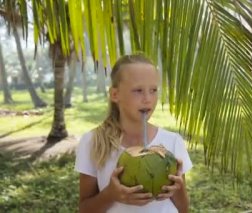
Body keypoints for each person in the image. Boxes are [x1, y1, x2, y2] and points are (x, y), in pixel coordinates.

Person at [75, 54, 193, 213]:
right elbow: (84, 209)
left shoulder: (172, 142)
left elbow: (183, 209)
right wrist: (111, 195)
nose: (148, 99)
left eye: (153, 90)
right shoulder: (93, 142)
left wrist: (177, 188)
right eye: (138, 90)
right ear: (115, 94)